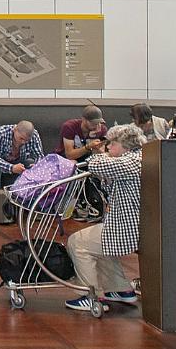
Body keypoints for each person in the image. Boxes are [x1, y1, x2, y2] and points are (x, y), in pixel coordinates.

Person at [66, 124, 146, 313]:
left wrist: (98, 154)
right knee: (96, 243)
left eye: (113, 143)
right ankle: (120, 289)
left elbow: (96, 164)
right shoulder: (137, 158)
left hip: (128, 228)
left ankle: (91, 296)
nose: (109, 147)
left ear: (125, 146)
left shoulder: (132, 162)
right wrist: (105, 153)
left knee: (77, 242)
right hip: (130, 224)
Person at [0, 120, 44, 189]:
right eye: (21, 138)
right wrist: (11, 168)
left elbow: (39, 155)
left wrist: (37, 165)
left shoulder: (34, 135)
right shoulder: (0, 133)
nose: (23, 142)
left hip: (19, 160)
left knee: (31, 163)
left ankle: (21, 196)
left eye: (27, 140)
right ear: (15, 130)